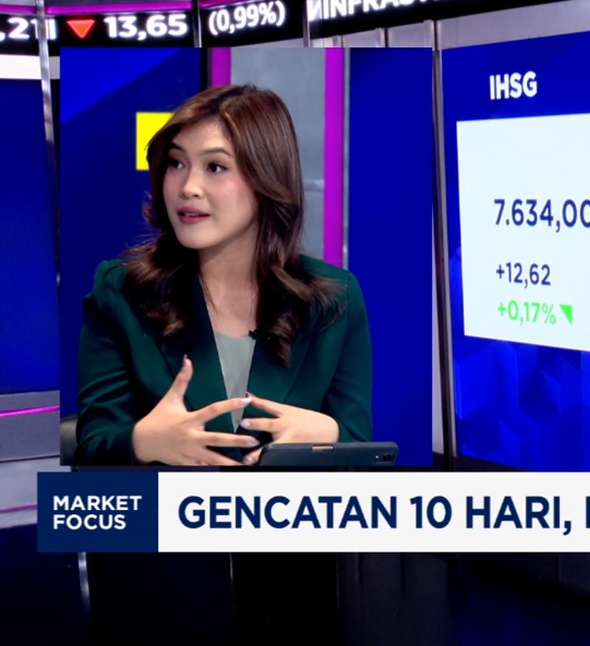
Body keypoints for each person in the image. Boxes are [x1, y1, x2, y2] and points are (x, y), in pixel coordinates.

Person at [75, 84, 372, 466]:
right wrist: (142, 443)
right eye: (176, 163)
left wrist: (329, 434)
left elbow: (361, 451)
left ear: (266, 179)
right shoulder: (121, 291)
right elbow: (92, 447)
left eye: (215, 167)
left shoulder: (334, 299)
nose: (188, 187)